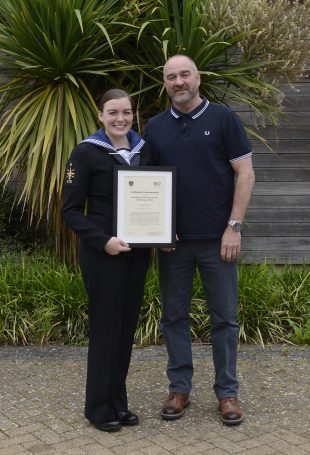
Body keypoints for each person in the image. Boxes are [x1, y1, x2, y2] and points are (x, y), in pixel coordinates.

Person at [143, 55, 255, 425]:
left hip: (218, 241)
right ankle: (179, 388)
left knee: (224, 319)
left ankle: (227, 393)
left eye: (184, 74)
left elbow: (245, 173)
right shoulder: (155, 127)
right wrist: (158, 228)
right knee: (174, 317)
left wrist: (234, 227)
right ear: (166, 83)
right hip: (172, 243)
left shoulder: (224, 119)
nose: (179, 82)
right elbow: (148, 185)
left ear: (198, 78)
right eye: (171, 77)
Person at [62, 89, 152, 432]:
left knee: (126, 327)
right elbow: (70, 211)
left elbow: (154, 196)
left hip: (137, 255)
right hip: (103, 255)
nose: (120, 119)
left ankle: (118, 402)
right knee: (105, 329)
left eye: (126, 112)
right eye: (113, 112)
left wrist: (163, 230)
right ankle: (98, 408)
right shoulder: (86, 153)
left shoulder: (143, 150)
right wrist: (103, 241)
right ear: (100, 115)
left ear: (133, 115)